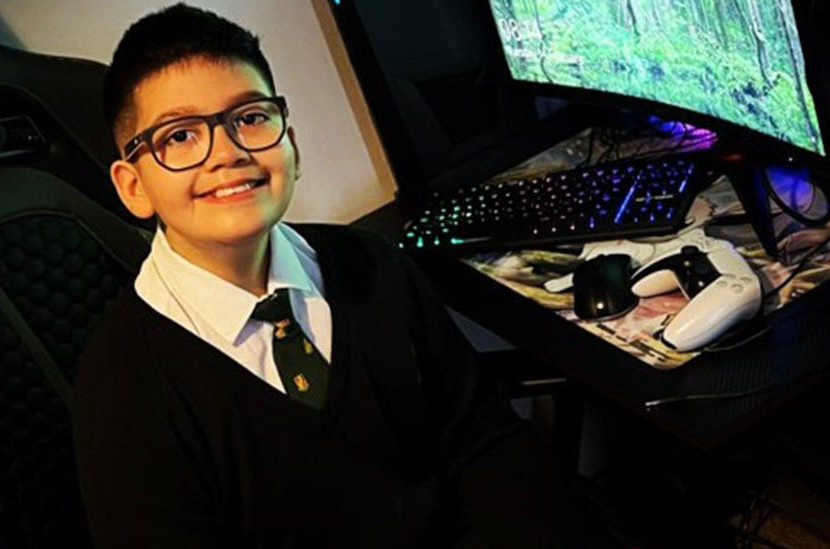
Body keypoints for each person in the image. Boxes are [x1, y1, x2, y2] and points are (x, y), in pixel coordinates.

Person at [73, 4, 602, 548]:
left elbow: (484, 445)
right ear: (132, 185)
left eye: (250, 117)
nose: (227, 152)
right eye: (180, 136)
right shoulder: (124, 393)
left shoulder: (372, 264)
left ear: (292, 146)